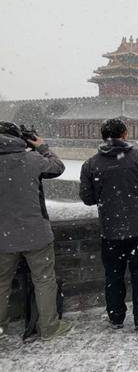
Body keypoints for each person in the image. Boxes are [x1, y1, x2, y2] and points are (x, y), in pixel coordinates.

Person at [79, 119, 138, 332]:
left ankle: (116, 316)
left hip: (110, 228)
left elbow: (87, 198)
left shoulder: (91, 164)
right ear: (125, 134)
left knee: (113, 274)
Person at [0, 122, 72, 340]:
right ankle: (48, 326)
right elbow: (57, 167)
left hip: (2, 237)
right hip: (35, 233)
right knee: (43, 280)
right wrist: (43, 147)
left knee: (1, 283)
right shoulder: (31, 160)